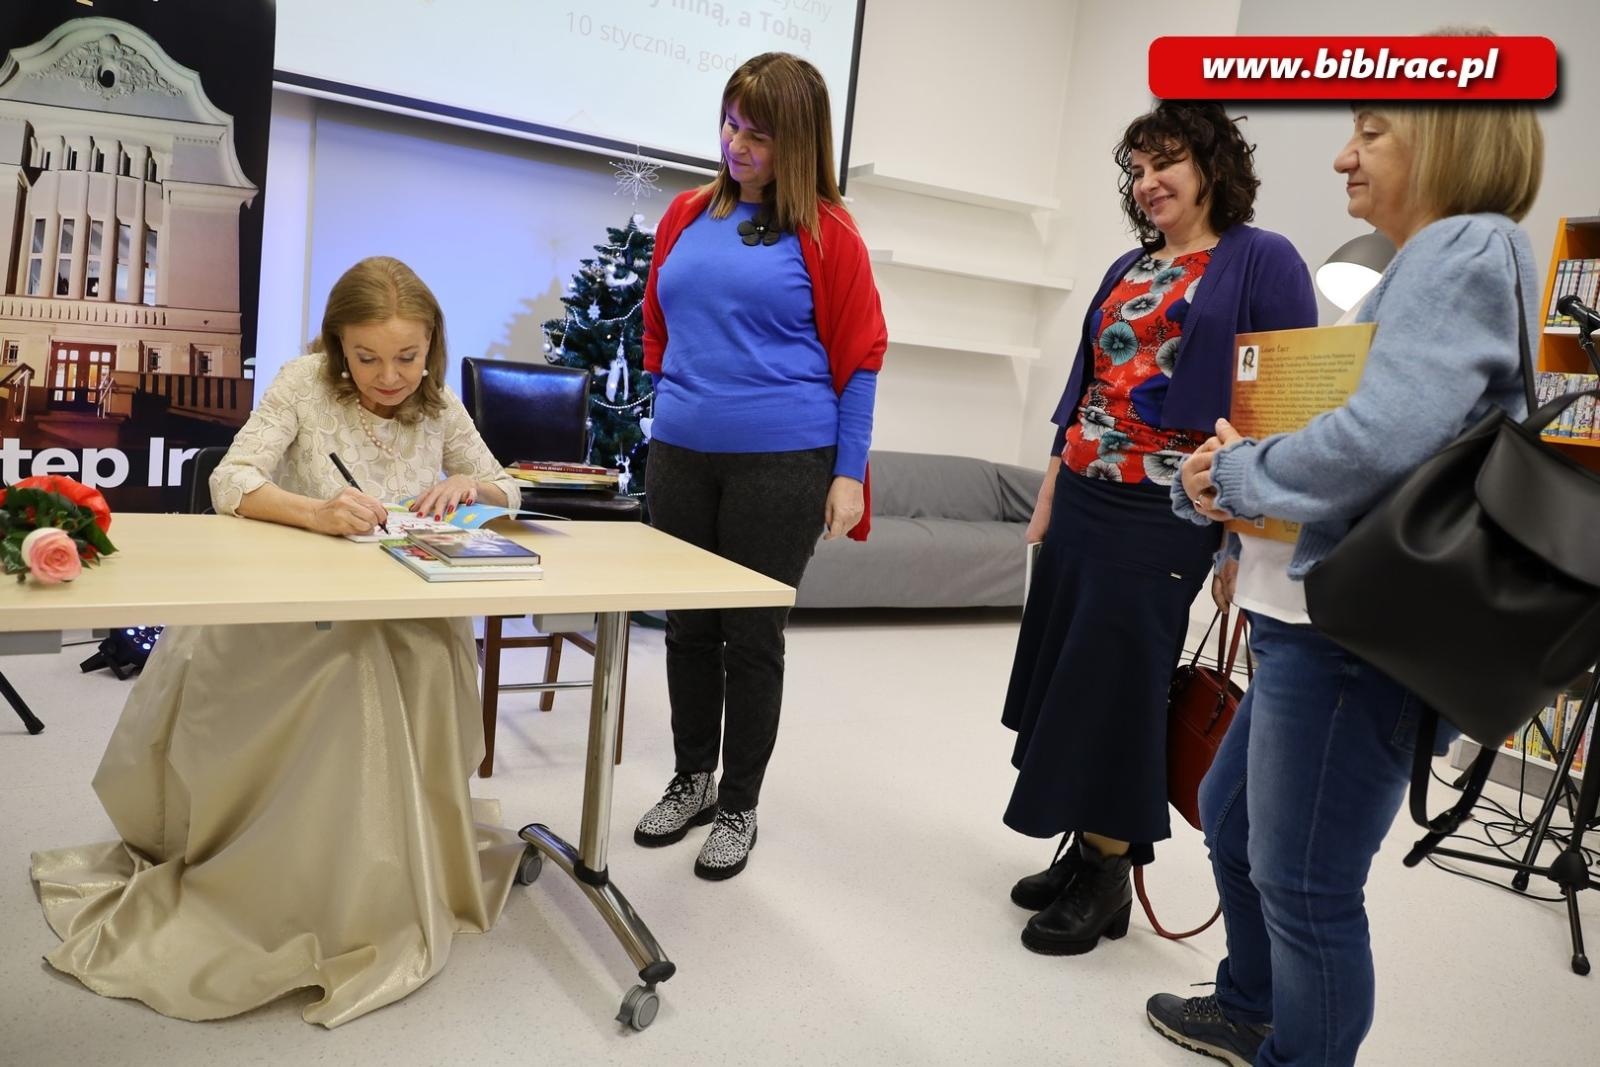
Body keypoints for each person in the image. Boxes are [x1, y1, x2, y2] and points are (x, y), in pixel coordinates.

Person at [1149, 90, 1543, 1066]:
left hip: (1348, 645)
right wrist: (1239, 512)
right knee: (1237, 826)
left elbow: (1376, 438)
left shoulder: (1461, 251)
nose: (1343, 158)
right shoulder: (1430, 262)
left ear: (1448, 139)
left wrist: (1237, 475)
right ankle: (1250, 1004)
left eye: (1371, 133)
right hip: (1309, 627)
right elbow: (1371, 444)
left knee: (1307, 883)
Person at [29, 257, 527, 1027]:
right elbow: (232, 481)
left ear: (430, 346)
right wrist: (315, 513)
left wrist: (476, 488)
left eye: (407, 356)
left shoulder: (437, 406)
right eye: (366, 357)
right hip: (301, 611)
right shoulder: (302, 382)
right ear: (336, 346)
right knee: (350, 666)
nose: (389, 375)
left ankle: (387, 870)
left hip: (404, 604)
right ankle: (311, 880)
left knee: (424, 651)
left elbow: (508, 485)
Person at [1000, 102, 1316, 956]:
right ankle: (1087, 846)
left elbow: (1279, 406)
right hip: (1088, 494)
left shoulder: (1263, 259)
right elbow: (1087, 384)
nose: (1147, 184)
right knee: (1074, 672)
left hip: (1169, 507)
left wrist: (1249, 531)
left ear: (1211, 165)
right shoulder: (1128, 265)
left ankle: (1107, 875)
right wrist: (1052, 488)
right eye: (1136, 171)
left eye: (1165, 162)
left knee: (1120, 678)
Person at [637, 52, 886, 880]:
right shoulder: (684, 214)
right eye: (731, 124)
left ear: (802, 142)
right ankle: (690, 778)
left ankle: (738, 802)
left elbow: (860, 358)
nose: (737, 145)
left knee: (750, 637)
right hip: (680, 452)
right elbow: (656, 330)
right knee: (686, 628)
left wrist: (848, 472)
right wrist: (674, 407)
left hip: (783, 460)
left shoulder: (828, 232)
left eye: (760, 134)